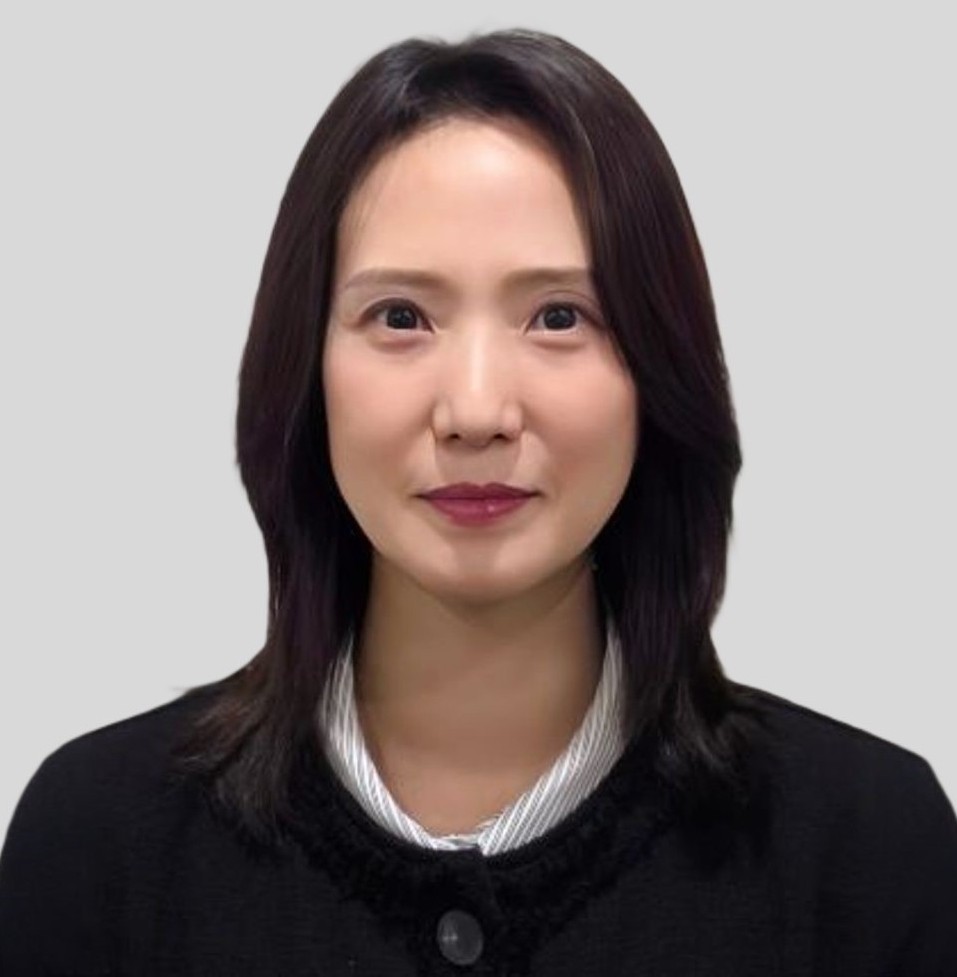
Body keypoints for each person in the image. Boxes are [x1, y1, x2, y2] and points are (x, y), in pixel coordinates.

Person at [1, 27, 955, 976]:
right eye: (400, 317)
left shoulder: (870, 851)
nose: (475, 412)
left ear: (658, 373)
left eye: (558, 317)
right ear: (305, 370)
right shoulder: (95, 846)